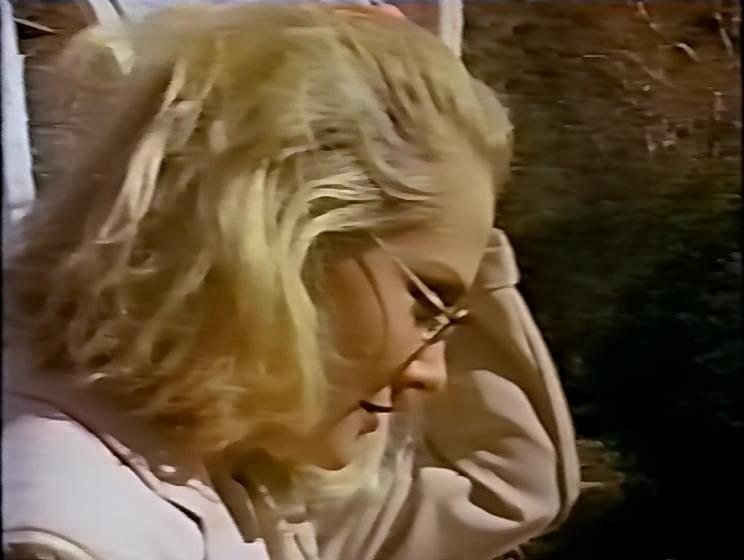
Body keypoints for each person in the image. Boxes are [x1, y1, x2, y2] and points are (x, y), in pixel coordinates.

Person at [2, 3, 579, 560]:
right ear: (284, 235)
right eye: (424, 303)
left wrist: (455, 204)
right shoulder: (76, 533)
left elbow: (507, 484)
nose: (433, 372)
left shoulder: (222, 474)